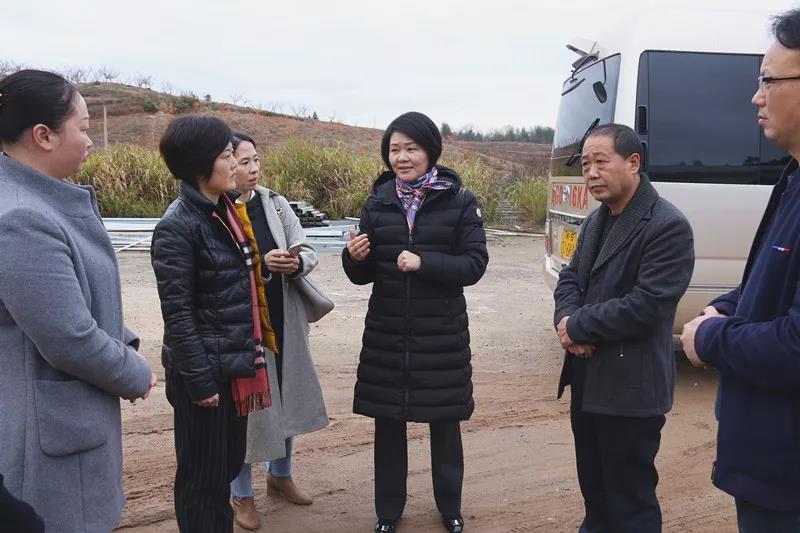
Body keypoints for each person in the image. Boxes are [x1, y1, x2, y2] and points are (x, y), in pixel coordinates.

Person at [0, 69, 155, 533]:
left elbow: (76, 302)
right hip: (45, 430)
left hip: (63, 415)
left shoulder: (39, 200)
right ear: (43, 136)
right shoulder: (22, 218)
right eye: (83, 128)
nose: (90, 141)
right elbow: (67, 336)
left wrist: (123, 340)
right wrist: (133, 371)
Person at [681, 9, 800, 531]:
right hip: (768, 465)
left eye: (768, 81)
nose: (756, 97)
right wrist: (726, 306)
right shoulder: (792, 177)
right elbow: (769, 284)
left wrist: (710, 339)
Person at [342, 111, 488, 533]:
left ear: (430, 151)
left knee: (445, 423)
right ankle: (388, 512)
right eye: (394, 150)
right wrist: (355, 258)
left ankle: (450, 507)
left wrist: (425, 263)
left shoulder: (459, 201)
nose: (401, 158)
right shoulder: (378, 201)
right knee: (388, 425)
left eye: (411, 148)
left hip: (441, 334)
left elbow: (474, 264)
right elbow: (362, 275)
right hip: (387, 334)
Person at [553, 123, 694, 533]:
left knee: (630, 503)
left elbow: (647, 304)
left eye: (601, 162)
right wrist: (566, 321)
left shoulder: (666, 224)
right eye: (585, 164)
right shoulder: (596, 221)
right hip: (589, 382)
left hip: (631, 388)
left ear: (633, 162)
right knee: (595, 494)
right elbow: (569, 279)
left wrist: (579, 326)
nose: (591, 173)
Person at [152, 116, 271, 533]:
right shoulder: (179, 226)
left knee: (223, 468)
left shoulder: (224, 212)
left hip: (230, 364)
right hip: (204, 376)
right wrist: (200, 383)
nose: (235, 164)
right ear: (201, 164)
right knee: (202, 482)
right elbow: (178, 314)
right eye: (226, 156)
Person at [228, 132, 329, 530]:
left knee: (287, 395)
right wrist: (260, 266)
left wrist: (296, 263)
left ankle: (281, 475)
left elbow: (306, 248)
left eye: (256, 160)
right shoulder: (219, 210)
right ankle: (241, 494)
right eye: (244, 162)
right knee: (248, 409)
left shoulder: (274, 203)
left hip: (283, 318)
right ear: (225, 164)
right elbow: (219, 269)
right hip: (243, 324)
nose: (253, 169)